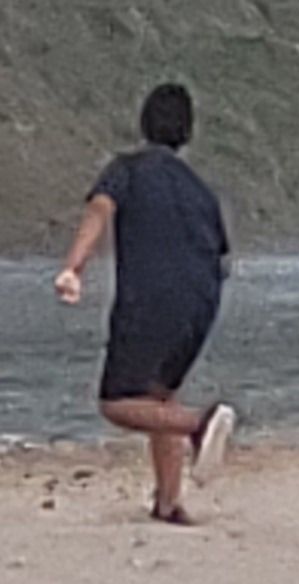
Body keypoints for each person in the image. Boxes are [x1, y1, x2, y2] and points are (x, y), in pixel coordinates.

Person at [52, 84, 236, 526]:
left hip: (151, 298)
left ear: (143, 124)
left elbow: (99, 211)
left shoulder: (127, 170)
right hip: (203, 300)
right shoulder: (200, 191)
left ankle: (200, 424)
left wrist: (73, 267)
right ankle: (169, 502)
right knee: (159, 397)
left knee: (116, 402)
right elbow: (221, 255)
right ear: (186, 134)